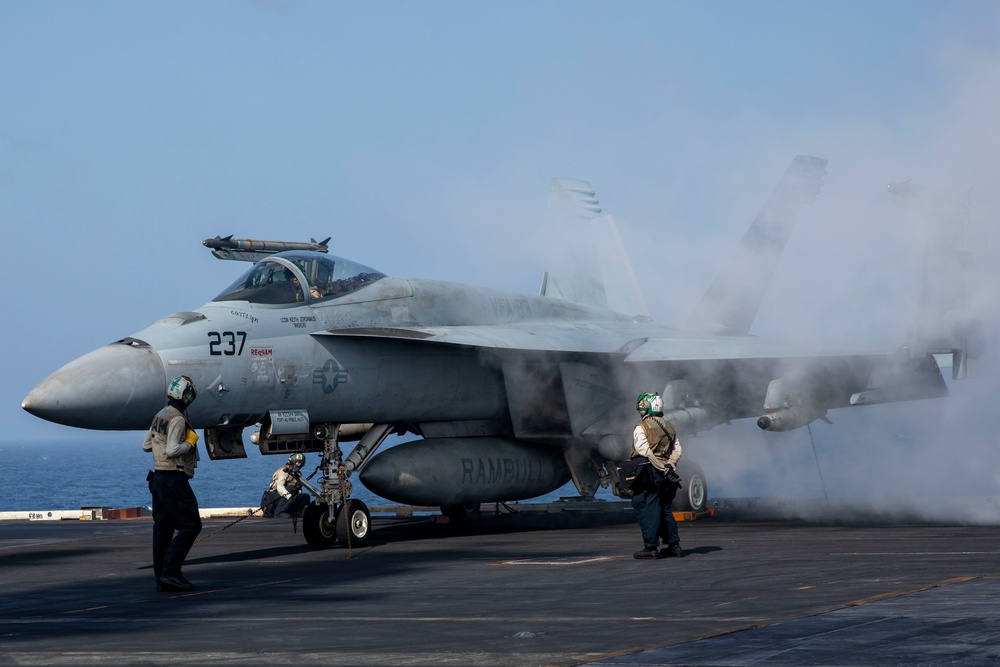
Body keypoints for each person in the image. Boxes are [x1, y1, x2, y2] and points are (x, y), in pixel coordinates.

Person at [142, 375, 202, 592]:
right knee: (191, 525)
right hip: (173, 479)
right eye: (189, 393)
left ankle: (162, 577)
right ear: (184, 395)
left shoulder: (160, 415)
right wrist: (190, 442)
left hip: (158, 480)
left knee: (163, 529)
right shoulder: (176, 418)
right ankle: (171, 573)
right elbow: (173, 450)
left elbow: (146, 445)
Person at [629, 391, 683, 560]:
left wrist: (659, 467)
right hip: (667, 474)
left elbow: (643, 451)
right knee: (665, 509)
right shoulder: (670, 426)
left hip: (650, 473)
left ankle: (651, 548)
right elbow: (678, 449)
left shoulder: (642, 427)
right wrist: (669, 465)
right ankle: (674, 545)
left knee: (646, 507)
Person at [261, 453, 311, 518]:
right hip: (274, 497)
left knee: (306, 496)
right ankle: (279, 513)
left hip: (286, 497)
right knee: (291, 489)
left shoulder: (297, 474)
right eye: (297, 462)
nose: (299, 465)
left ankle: (296, 512)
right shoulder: (283, 471)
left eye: (301, 463)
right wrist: (289, 497)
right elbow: (280, 487)